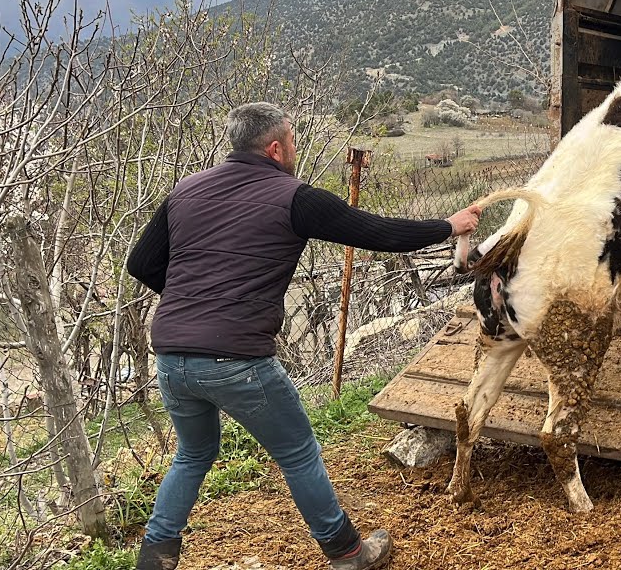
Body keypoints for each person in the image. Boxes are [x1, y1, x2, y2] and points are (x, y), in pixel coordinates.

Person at [126, 102, 481, 570]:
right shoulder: (294, 197)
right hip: (237, 359)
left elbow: (141, 264)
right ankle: (348, 553)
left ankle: (154, 557)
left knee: (193, 453)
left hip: (172, 358)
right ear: (275, 148)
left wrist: (198, 303)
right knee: (297, 452)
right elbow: (375, 232)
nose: (294, 148)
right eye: (292, 140)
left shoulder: (186, 191)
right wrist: (448, 226)